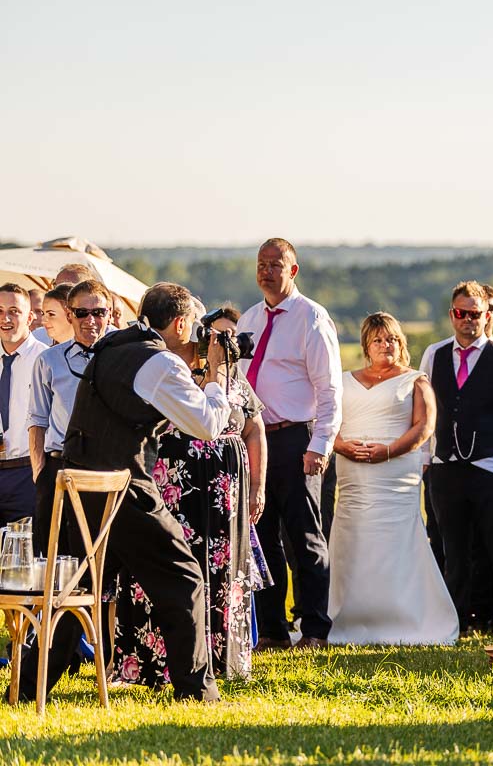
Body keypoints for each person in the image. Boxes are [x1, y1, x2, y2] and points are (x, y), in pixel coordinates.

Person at [14, 282, 232, 703]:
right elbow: (206, 425)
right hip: (123, 489)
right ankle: (196, 691)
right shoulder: (158, 363)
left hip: (80, 488)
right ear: (182, 323)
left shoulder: (111, 347)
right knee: (183, 578)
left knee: (74, 593)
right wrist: (218, 375)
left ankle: (24, 690)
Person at [111, 300, 266, 684]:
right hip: (172, 485)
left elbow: (254, 427)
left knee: (219, 570)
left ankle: (221, 658)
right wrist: (212, 370)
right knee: (169, 567)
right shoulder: (162, 368)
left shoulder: (229, 374)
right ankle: (157, 661)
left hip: (224, 493)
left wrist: (258, 486)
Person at [327, 313, 456, 645]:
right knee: (353, 537)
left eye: (393, 340)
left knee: (395, 540)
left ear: (402, 344)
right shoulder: (343, 379)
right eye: (379, 340)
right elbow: (328, 421)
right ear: (366, 346)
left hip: (395, 472)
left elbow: (424, 427)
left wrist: (387, 451)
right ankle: (350, 615)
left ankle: (402, 616)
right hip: (352, 471)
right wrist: (341, 445)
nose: (387, 345)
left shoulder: (415, 380)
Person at [239, 238, 342, 650]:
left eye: (275, 265)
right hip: (256, 441)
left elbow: (330, 390)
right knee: (261, 537)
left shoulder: (311, 318)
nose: (266, 271)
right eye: (261, 264)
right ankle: (272, 631)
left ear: (293, 270)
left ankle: (314, 628)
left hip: (298, 438)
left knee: (304, 539)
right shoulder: (249, 319)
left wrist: (320, 445)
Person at [426, 281, 493, 639]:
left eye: (475, 314)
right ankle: (455, 621)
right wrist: (429, 457)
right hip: (445, 467)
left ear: (488, 316)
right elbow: (426, 411)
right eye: (460, 313)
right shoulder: (435, 354)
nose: (467, 320)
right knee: (451, 549)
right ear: (452, 315)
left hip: (491, 466)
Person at [28, 280, 110, 554]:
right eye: (82, 313)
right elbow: (37, 420)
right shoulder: (48, 360)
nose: (91, 320)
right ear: (70, 314)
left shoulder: (122, 359)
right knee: (54, 554)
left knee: (102, 554)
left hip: (107, 470)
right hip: (59, 466)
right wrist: (40, 473)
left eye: (98, 312)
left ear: (108, 314)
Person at [0, 285, 46, 525]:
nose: (5, 318)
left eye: (14, 311)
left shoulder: (47, 360)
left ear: (30, 317)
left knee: (27, 555)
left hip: (27, 475)